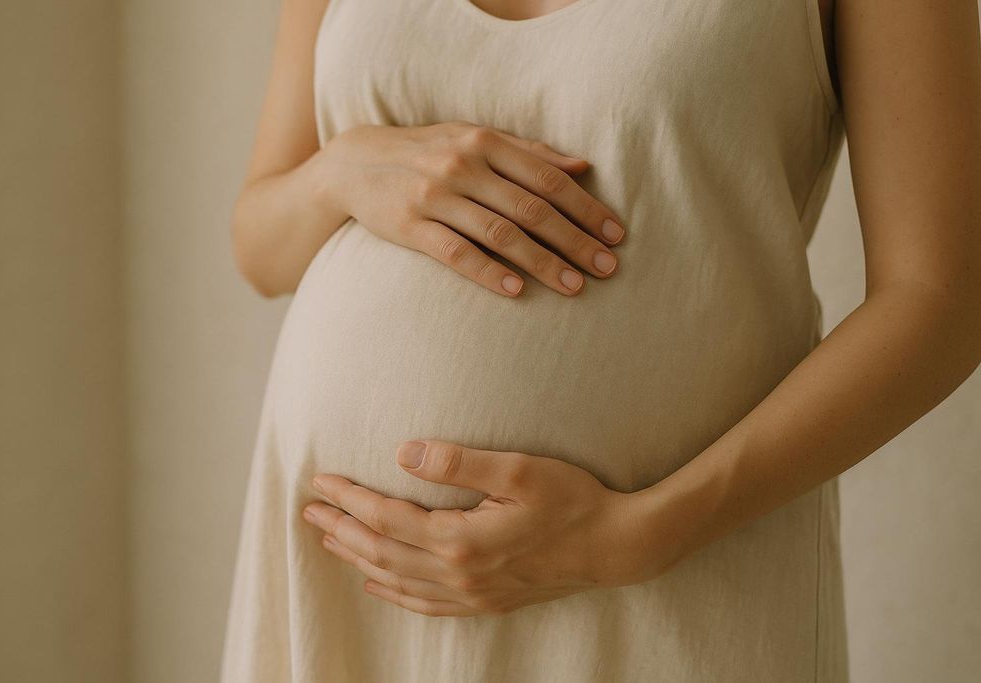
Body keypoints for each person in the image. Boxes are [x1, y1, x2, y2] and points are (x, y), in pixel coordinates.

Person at [221, 1, 981, 681]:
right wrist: (338, 173)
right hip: (349, 576)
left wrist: (639, 537)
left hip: (670, 570)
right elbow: (260, 248)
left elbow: (944, 299)